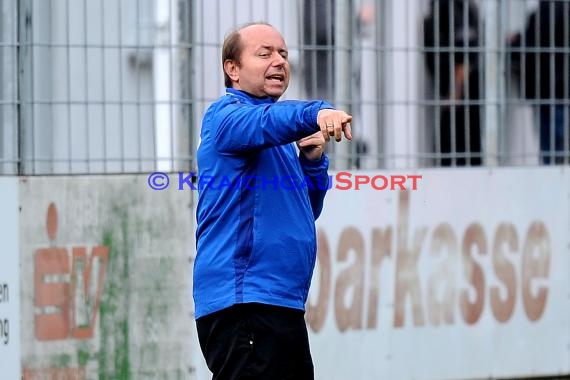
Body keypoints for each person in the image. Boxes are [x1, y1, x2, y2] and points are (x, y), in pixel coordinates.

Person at [194, 22, 352, 380]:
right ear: (231, 69)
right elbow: (272, 121)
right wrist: (317, 112)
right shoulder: (227, 117)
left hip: (279, 304)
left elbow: (304, 212)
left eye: (283, 53)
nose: (279, 61)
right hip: (245, 305)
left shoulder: (276, 135)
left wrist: (312, 163)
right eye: (264, 53)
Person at [509, 0, 570, 164]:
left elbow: (534, 44)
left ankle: (555, 173)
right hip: (557, 87)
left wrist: (515, 43)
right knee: (557, 141)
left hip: (549, 87)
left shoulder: (548, 9)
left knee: (552, 144)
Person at [423, 0, 483, 166]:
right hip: (461, 93)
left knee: (455, 147)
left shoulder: (453, 7)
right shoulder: (456, 6)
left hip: (461, 96)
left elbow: (465, 53)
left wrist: (455, 90)